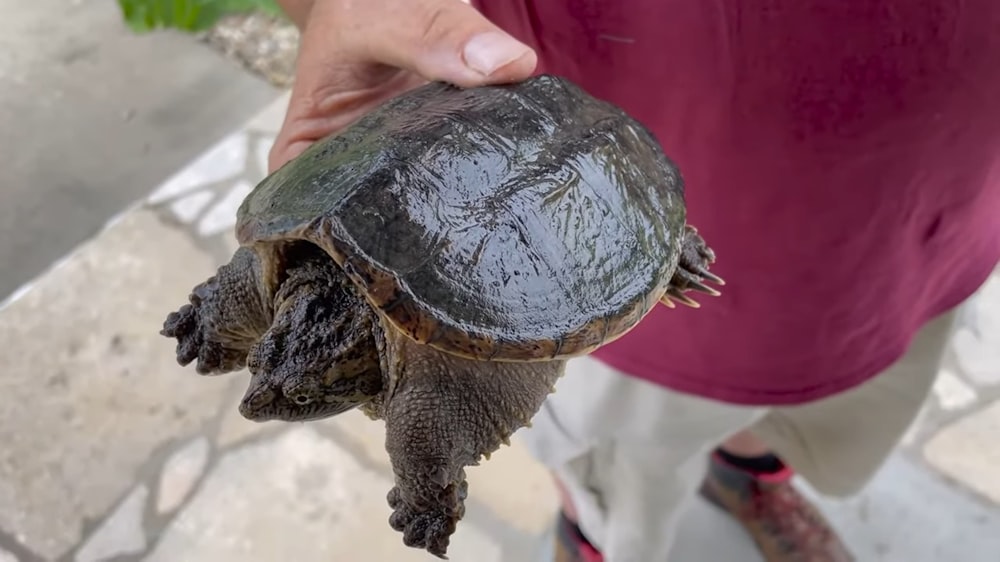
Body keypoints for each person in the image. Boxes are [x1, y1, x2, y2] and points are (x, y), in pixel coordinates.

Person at [268, 1, 1000, 561]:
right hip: (576, 183)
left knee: (817, 407)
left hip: (929, 215)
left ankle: (748, 472)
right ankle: (596, 538)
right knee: (622, 472)